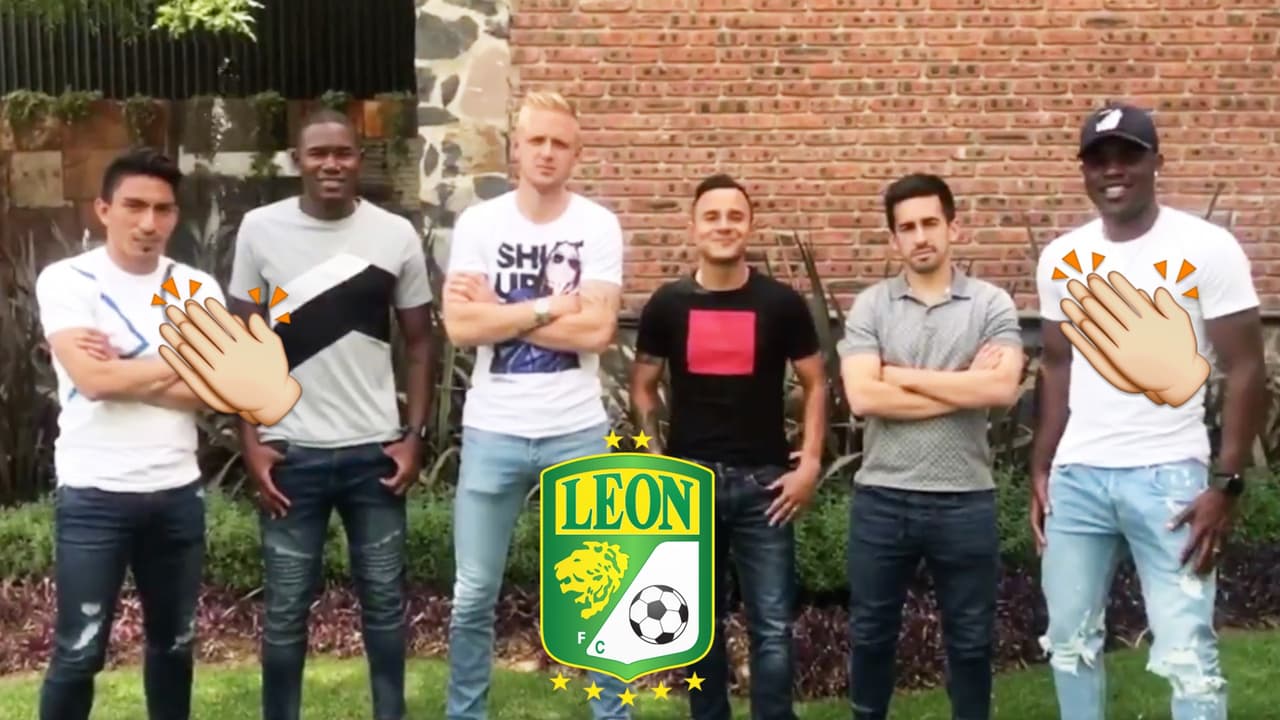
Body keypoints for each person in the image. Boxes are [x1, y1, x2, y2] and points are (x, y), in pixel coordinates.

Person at [1032, 103, 1266, 720]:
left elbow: (1246, 367)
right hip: (1078, 480)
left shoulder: (1206, 248)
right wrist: (1042, 465)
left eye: (1128, 156)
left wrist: (1227, 482)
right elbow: (1057, 364)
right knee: (1069, 644)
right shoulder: (1060, 257)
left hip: (1169, 481)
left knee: (1187, 654)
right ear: (1084, 172)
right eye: (1099, 159)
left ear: (1156, 162)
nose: (1113, 170)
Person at [226, 108, 436, 720]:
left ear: (359, 159)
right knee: (286, 612)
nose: (331, 164)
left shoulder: (394, 234)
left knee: (385, 607)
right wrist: (251, 440)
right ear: (298, 161)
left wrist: (414, 436)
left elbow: (421, 342)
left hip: (375, 455)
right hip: (290, 455)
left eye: (343, 152)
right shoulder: (260, 230)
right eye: (318, 153)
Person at [440, 90, 630, 720]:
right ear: (515, 148)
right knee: (473, 593)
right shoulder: (480, 224)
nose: (547, 152)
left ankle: (612, 714)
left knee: (602, 590)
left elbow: (596, 333)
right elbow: (461, 327)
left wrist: (500, 311)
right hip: (493, 431)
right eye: (536, 140)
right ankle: (465, 714)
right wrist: (548, 307)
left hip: (576, 429)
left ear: (576, 153)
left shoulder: (596, 225)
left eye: (560, 143)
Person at [34, 147, 225, 720]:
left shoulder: (196, 287)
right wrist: (183, 358)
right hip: (94, 494)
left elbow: (219, 391)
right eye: (134, 206)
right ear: (103, 209)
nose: (148, 223)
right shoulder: (68, 280)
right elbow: (93, 381)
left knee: (174, 647)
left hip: (176, 492)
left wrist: (126, 370)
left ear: (175, 216)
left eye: (162, 209)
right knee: (78, 652)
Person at [629, 173, 827, 720]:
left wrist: (810, 462)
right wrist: (655, 461)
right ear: (693, 227)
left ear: (750, 226)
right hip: (689, 484)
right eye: (712, 216)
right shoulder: (666, 305)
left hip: (766, 486)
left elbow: (816, 382)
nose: (724, 225)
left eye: (735, 216)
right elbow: (642, 386)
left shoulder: (780, 303)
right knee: (698, 626)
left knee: (772, 626)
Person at [837, 173, 1025, 720]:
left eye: (930, 223)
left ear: (952, 228)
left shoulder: (990, 304)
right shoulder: (871, 306)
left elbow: (1001, 389)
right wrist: (963, 385)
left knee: (971, 639)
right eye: (907, 228)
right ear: (893, 239)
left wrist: (897, 375)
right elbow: (864, 397)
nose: (920, 237)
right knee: (871, 633)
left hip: (965, 498)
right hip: (882, 498)